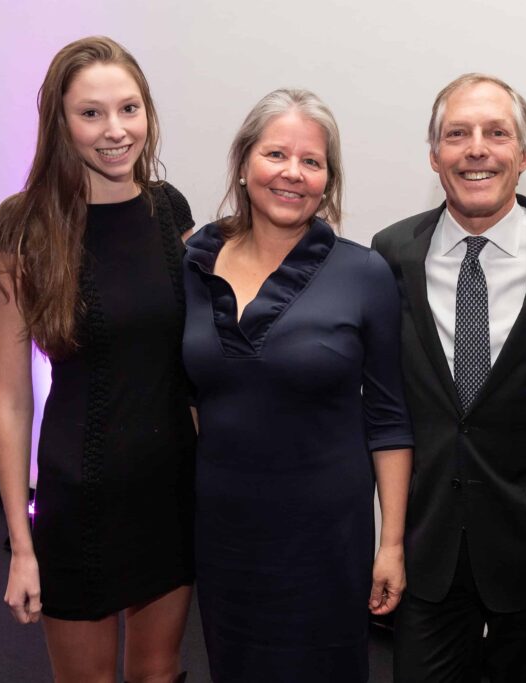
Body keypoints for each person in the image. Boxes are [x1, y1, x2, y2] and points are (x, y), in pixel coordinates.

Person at [182, 88, 414, 683]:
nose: (293, 173)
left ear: (327, 180)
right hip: (224, 526)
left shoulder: (364, 273)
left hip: (325, 535)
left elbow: (389, 420)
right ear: (243, 162)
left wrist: (390, 544)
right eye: (276, 154)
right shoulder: (192, 261)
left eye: (312, 162)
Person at [0, 37, 196, 682]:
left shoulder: (170, 211)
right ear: (59, 122)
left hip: (170, 488)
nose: (115, 131)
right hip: (82, 494)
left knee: (158, 675)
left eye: (129, 109)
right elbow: (12, 398)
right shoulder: (22, 230)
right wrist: (22, 543)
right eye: (91, 113)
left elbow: (190, 360)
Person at [371, 73, 526, 683]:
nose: (476, 148)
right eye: (457, 134)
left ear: (524, 155)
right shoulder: (390, 253)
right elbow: (377, 399)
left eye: (496, 133)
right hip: (429, 550)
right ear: (435, 156)